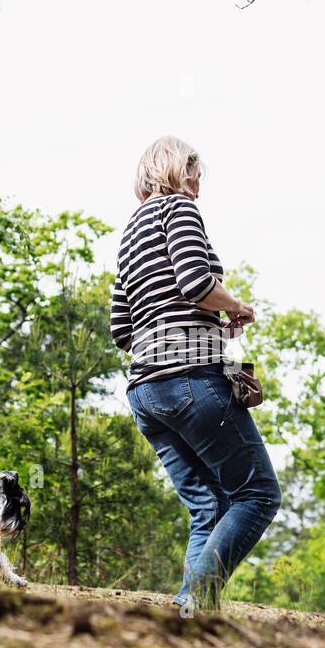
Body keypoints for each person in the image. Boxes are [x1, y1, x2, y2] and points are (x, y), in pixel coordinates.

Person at [110, 136, 282, 610]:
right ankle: (194, 602)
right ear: (177, 170)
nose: (199, 189)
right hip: (191, 381)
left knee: (207, 505)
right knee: (258, 494)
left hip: (146, 392)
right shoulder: (178, 211)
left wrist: (207, 326)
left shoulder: (128, 236)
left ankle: (189, 613)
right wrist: (237, 306)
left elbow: (121, 328)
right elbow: (196, 282)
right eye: (196, 175)